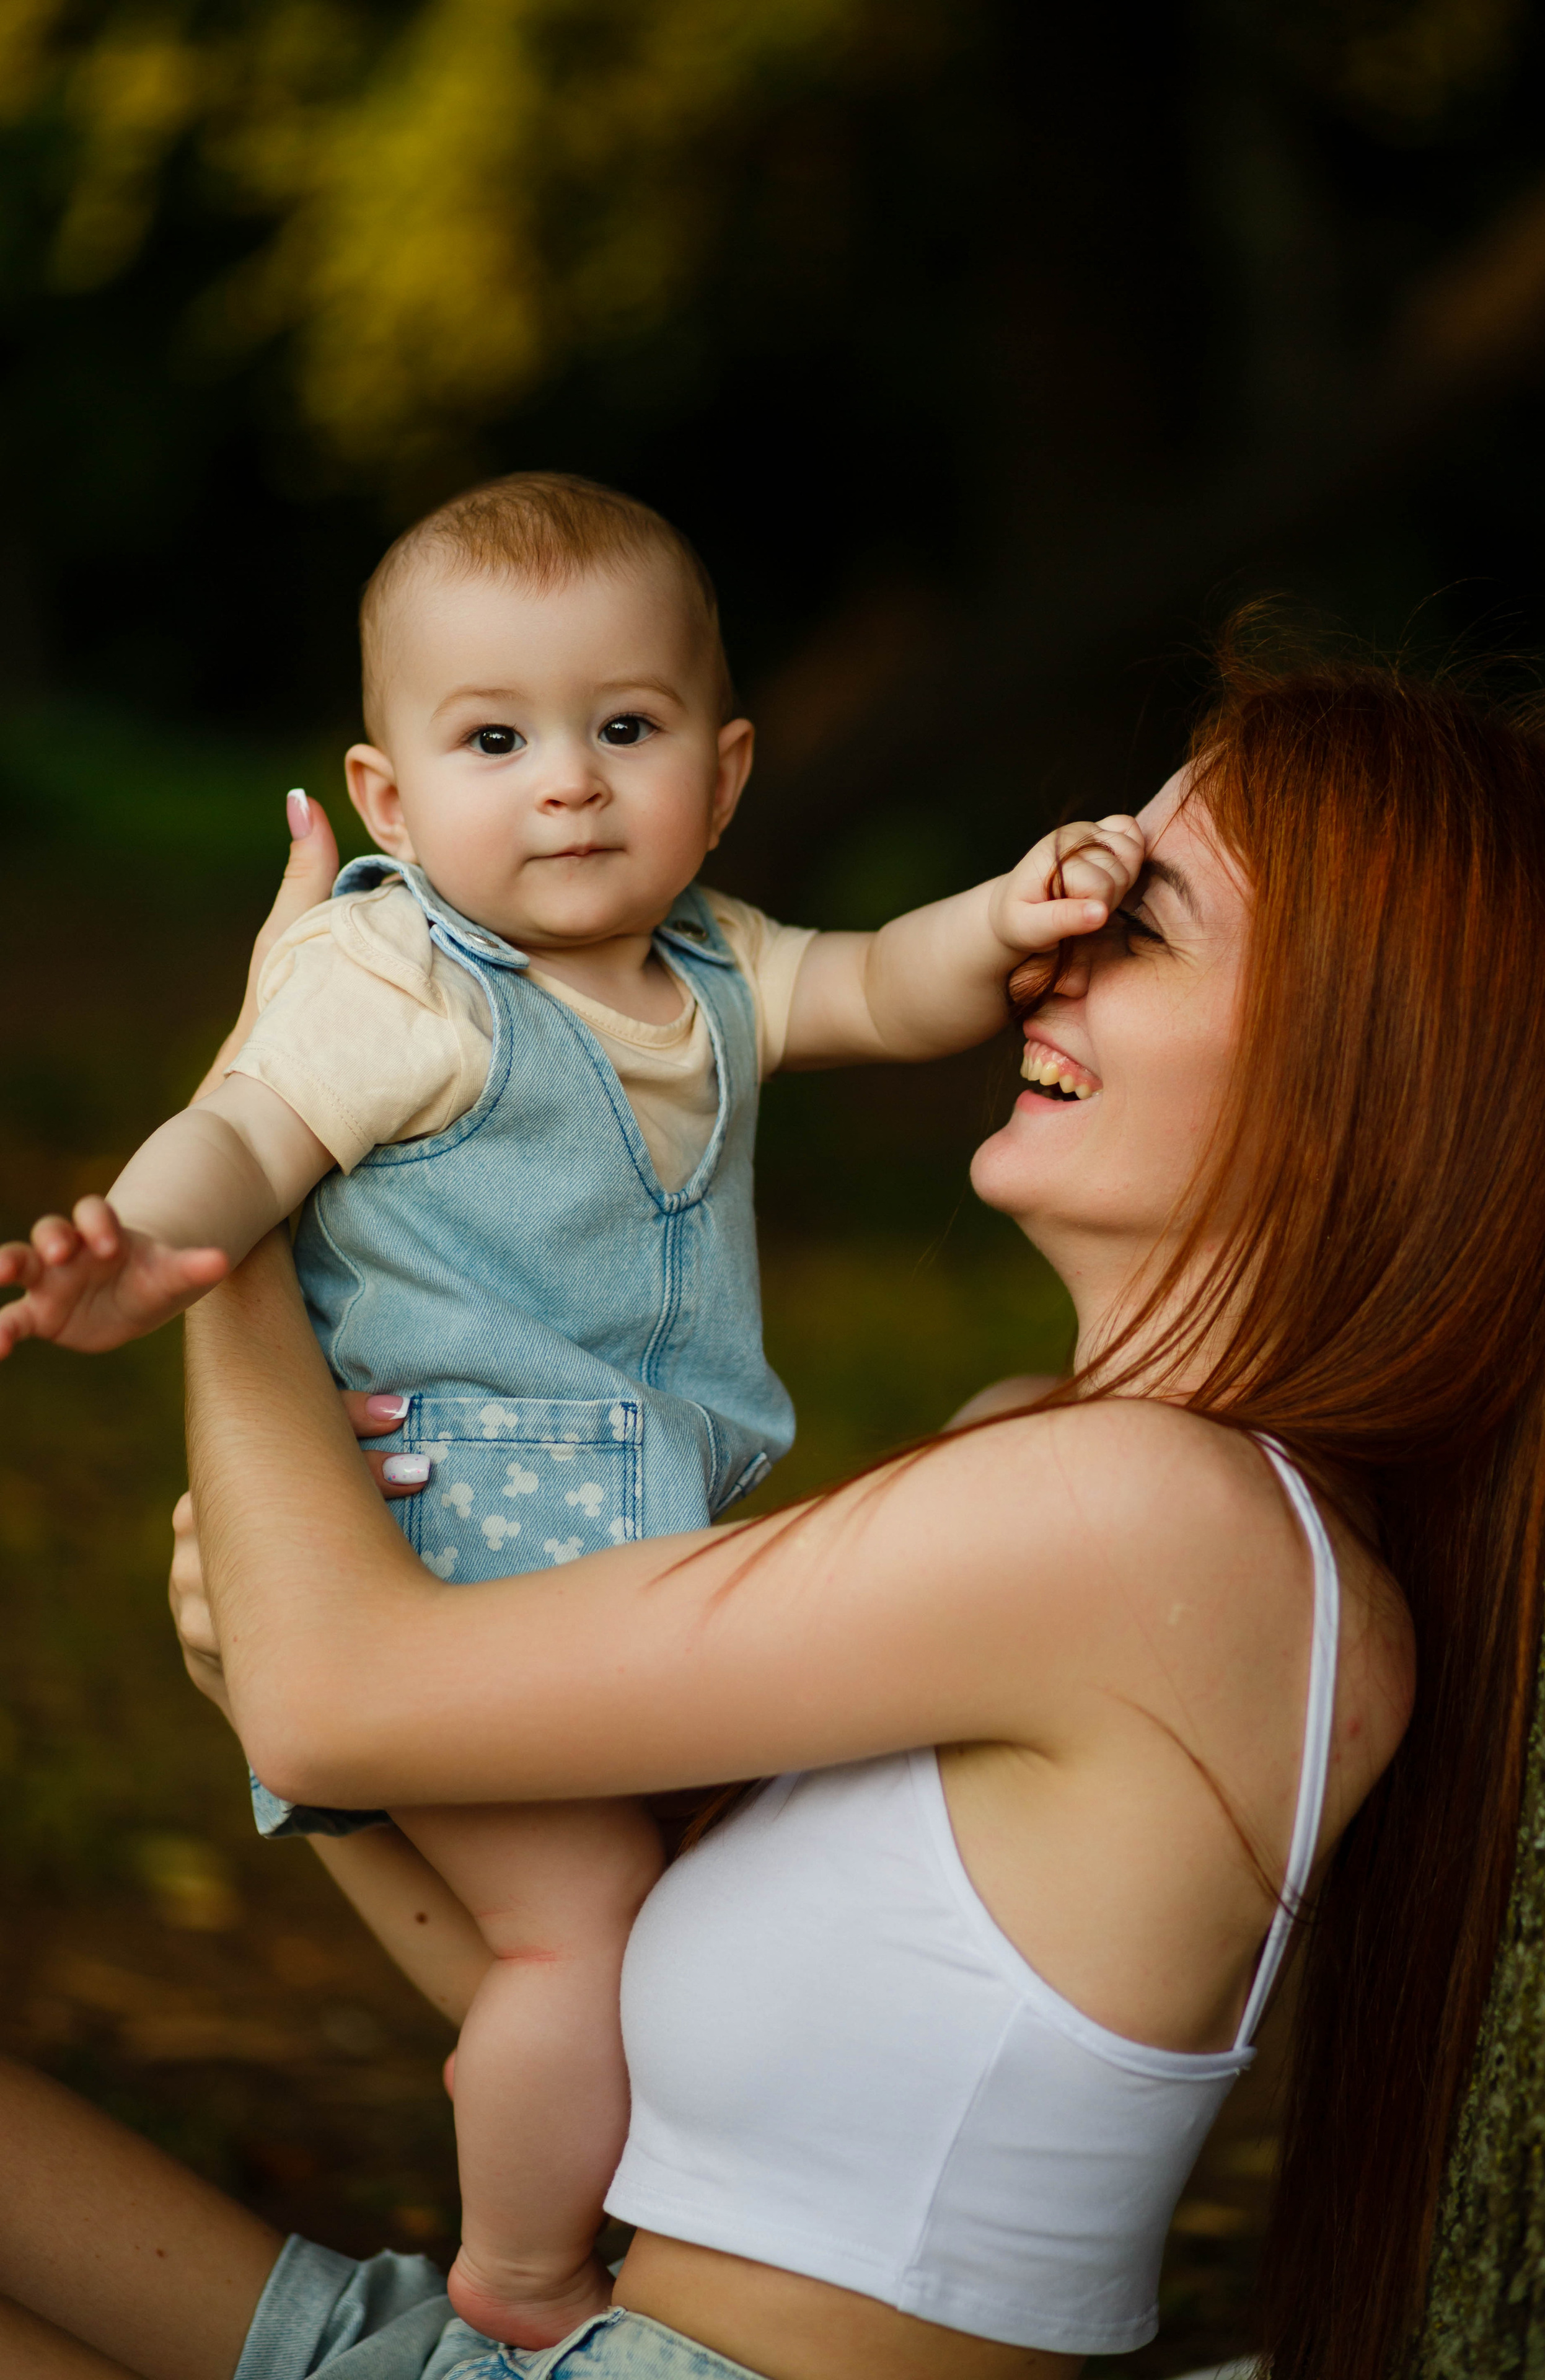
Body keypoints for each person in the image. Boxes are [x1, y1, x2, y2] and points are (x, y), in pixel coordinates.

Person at [7, 640, 1545, 2380]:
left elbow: (340, 1691)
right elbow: (627, 2023)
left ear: (1359, 1077)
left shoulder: (1155, 1528)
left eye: (1139, 923)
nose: (1048, 948)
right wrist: (341, 1762)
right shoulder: (1071, 1462)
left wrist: (266, 1142)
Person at [0, 471, 1120, 2348]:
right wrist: (151, 1246)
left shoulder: (720, 969)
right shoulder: (401, 974)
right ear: (387, 798)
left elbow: (884, 983)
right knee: (578, 1937)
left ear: (727, 766)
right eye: (496, 738)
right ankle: (520, 2282)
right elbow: (248, 1127)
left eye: (627, 728)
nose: (571, 782)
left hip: (630, 1579)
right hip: (442, 1553)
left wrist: (1007, 912)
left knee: (672, 1924)